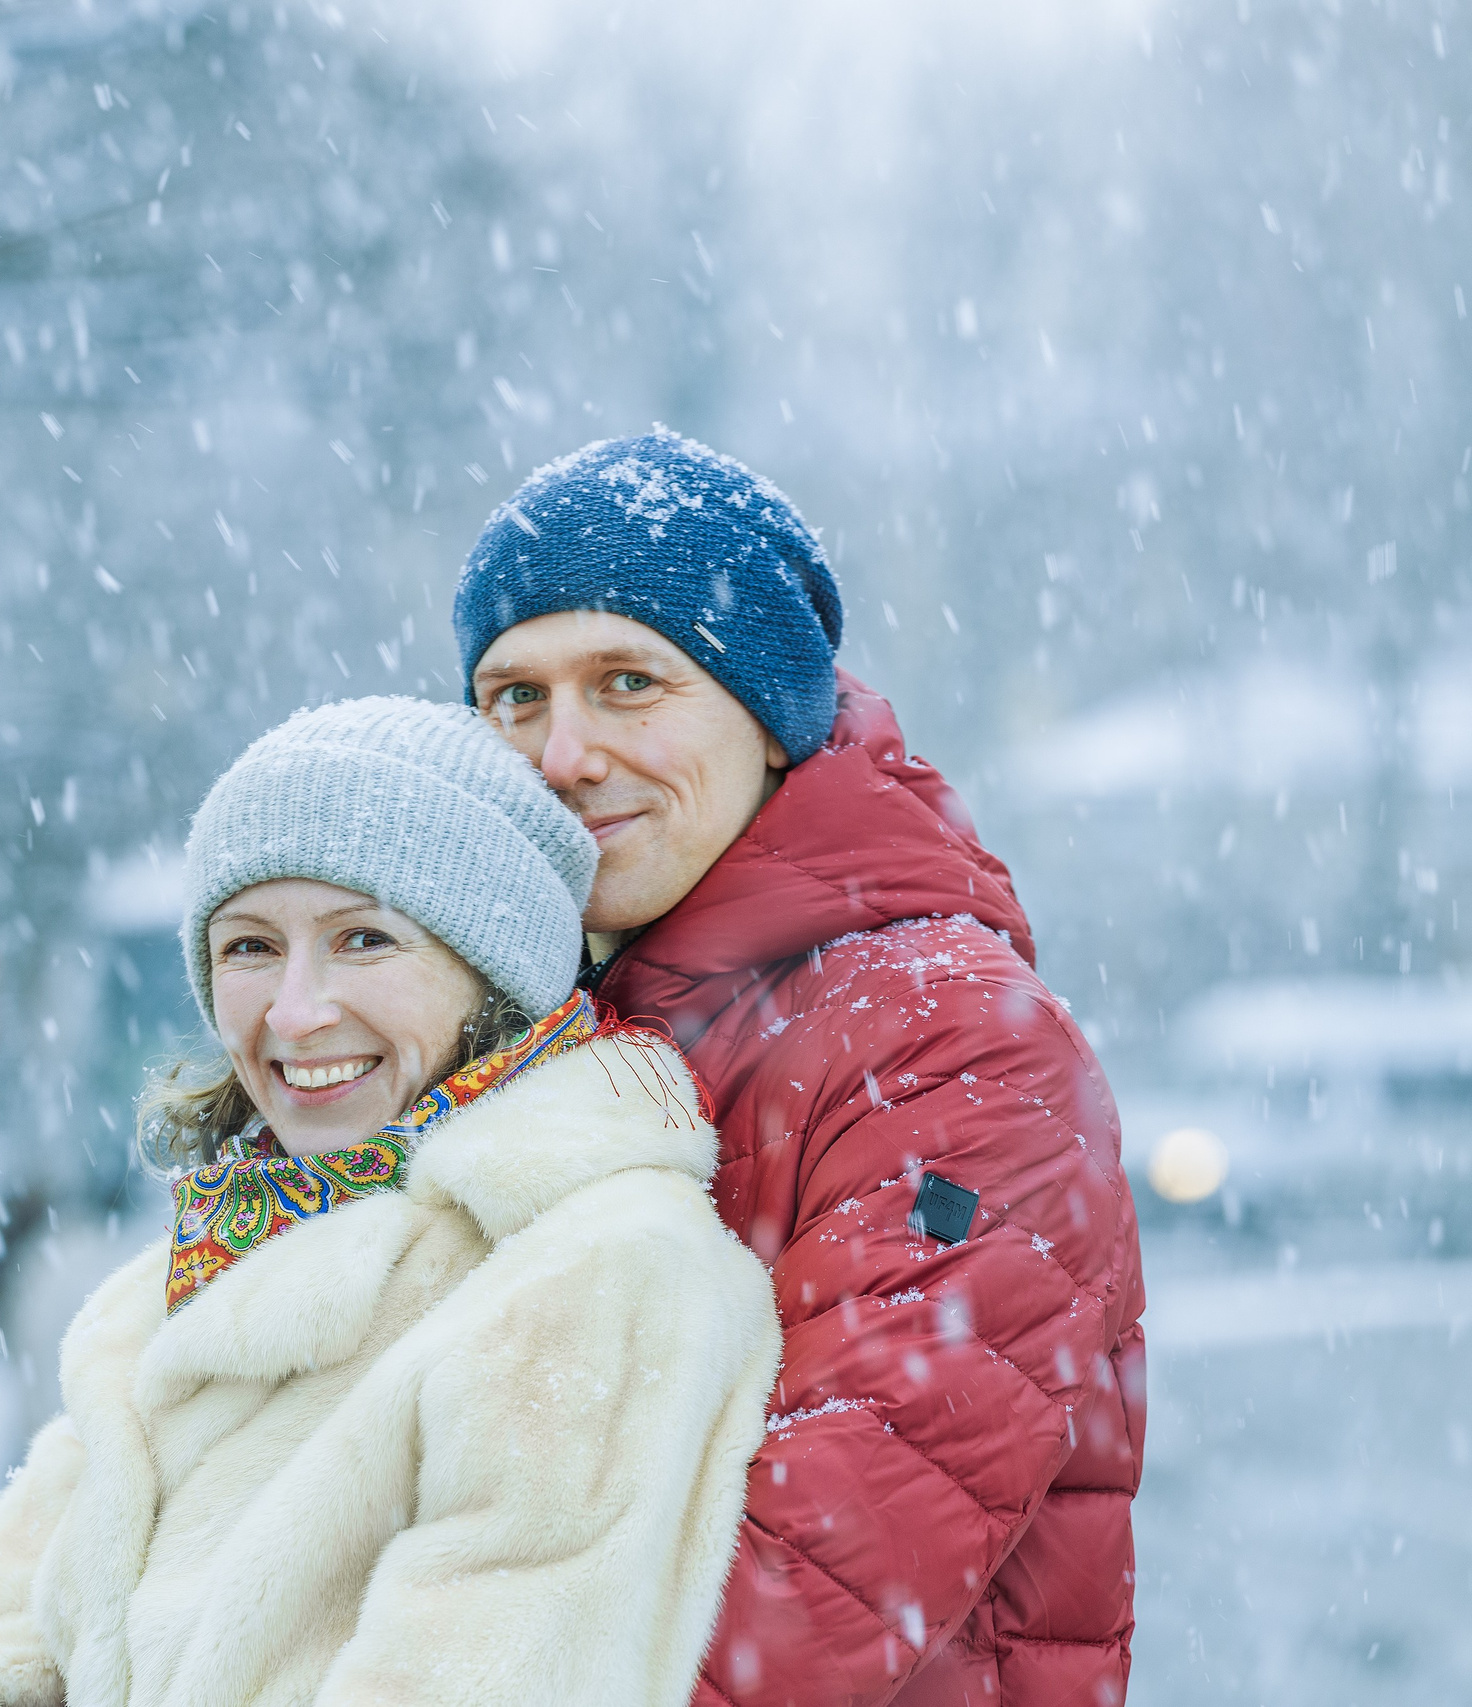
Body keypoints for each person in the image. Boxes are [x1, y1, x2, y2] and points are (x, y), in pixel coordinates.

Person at [0, 696, 782, 1707]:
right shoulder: (206, 1266)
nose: (294, 1010)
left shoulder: (601, 1273)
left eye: (363, 941)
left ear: (494, 971)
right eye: (249, 947)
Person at [453, 429, 1147, 1707]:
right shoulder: (520, 1022)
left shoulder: (952, 1039)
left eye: (626, 683)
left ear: (772, 718)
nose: (561, 756)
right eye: (515, 698)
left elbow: (818, 1590)